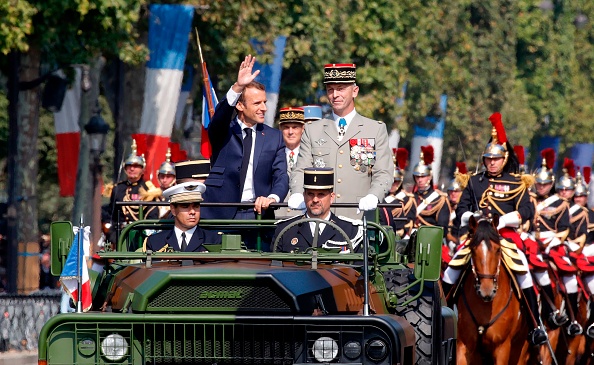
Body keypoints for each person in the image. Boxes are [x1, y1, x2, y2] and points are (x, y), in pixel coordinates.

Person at [443, 112, 548, 346]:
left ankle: (535, 325)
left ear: (504, 159)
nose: (491, 163)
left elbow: (527, 211)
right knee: (452, 270)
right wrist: (473, 218)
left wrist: (503, 221)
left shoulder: (516, 182)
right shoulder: (474, 181)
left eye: (496, 159)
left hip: (504, 238)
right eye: (488, 159)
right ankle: (439, 318)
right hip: (477, 237)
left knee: (523, 271)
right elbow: (461, 209)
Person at [288, 63, 393, 219]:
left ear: (355, 91)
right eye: (330, 89)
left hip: (357, 216)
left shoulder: (374, 129)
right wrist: (297, 192)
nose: (335, 95)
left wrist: (374, 195)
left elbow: (383, 172)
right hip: (320, 218)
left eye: (341, 88)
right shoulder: (313, 130)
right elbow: (301, 168)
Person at [202, 55, 288, 223]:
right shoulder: (223, 131)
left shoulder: (274, 137)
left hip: (258, 214)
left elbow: (281, 175)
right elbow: (219, 118)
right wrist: (238, 87)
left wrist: (272, 197)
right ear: (240, 106)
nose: (264, 108)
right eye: (257, 103)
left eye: (264, 102)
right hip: (220, 213)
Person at [522, 153, 579, 335]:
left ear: (551, 184)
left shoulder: (561, 203)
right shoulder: (528, 200)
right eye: (538, 183)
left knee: (570, 280)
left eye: (545, 184)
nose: (541, 187)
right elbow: (525, 223)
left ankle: (572, 320)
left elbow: (563, 229)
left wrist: (548, 244)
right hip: (530, 241)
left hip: (552, 244)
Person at [272, 168, 363, 253]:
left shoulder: (350, 230)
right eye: (310, 194)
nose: (315, 200)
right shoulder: (286, 230)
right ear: (304, 196)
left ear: (331, 197)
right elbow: (275, 266)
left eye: (321, 194)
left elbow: (358, 268)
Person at [104, 136, 160, 242]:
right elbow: (111, 214)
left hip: (141, 234)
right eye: (129, 166)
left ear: (142, 169)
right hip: (120, 234)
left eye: (136, 166)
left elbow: (152, 216)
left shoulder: (149, 190)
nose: (132, 169)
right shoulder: (118, 189)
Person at [145, 180, 221, 252]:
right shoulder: (155, 242)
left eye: (196, 206)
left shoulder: (214, 240)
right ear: (173, 209)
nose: (192, 211)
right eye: (185, 206)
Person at [278, 107, 306, 218]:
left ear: (303, 128)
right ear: (280, 128)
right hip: (277, 217)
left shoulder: (312, 156)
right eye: (286, 127)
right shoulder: (272, 154)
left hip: (302, 217)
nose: (290, 132)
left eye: (295, 127)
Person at [384, 148, 415, 239]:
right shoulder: (378, 197)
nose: (392, 184)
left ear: (400, 181)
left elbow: (408, 224)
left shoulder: (407, 200)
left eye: (395, 182)